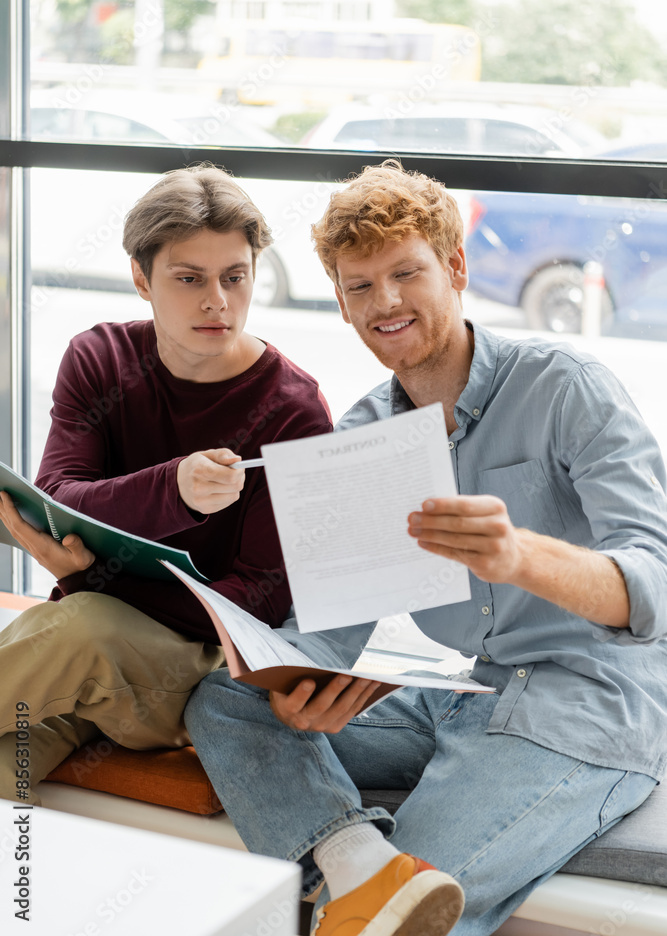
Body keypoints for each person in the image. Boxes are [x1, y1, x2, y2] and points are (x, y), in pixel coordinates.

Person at [184, 160, 667, 936]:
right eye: (360, 286)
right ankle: (357, 868)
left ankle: (371, 903)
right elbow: (335, 627)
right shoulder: (363, 435)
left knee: (401, 924)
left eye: (405, 273)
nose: (386, 302)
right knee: (227, 702)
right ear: (340, 305)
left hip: (587, 707)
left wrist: (521, 559)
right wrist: (298, 674)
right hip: (461, 695)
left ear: (456, 268)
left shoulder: (565, 386)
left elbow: (654, 586)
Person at [0, 164, 332, 805]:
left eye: (234, 277)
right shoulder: (99, 358)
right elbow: (58, 498)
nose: (218, 301)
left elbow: (255, 603)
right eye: (189, 279)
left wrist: (91, 576)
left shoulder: (295, 411)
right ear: (140, 278)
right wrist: (173, 491)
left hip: (197, 673)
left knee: (85, 623)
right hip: (88, 664)